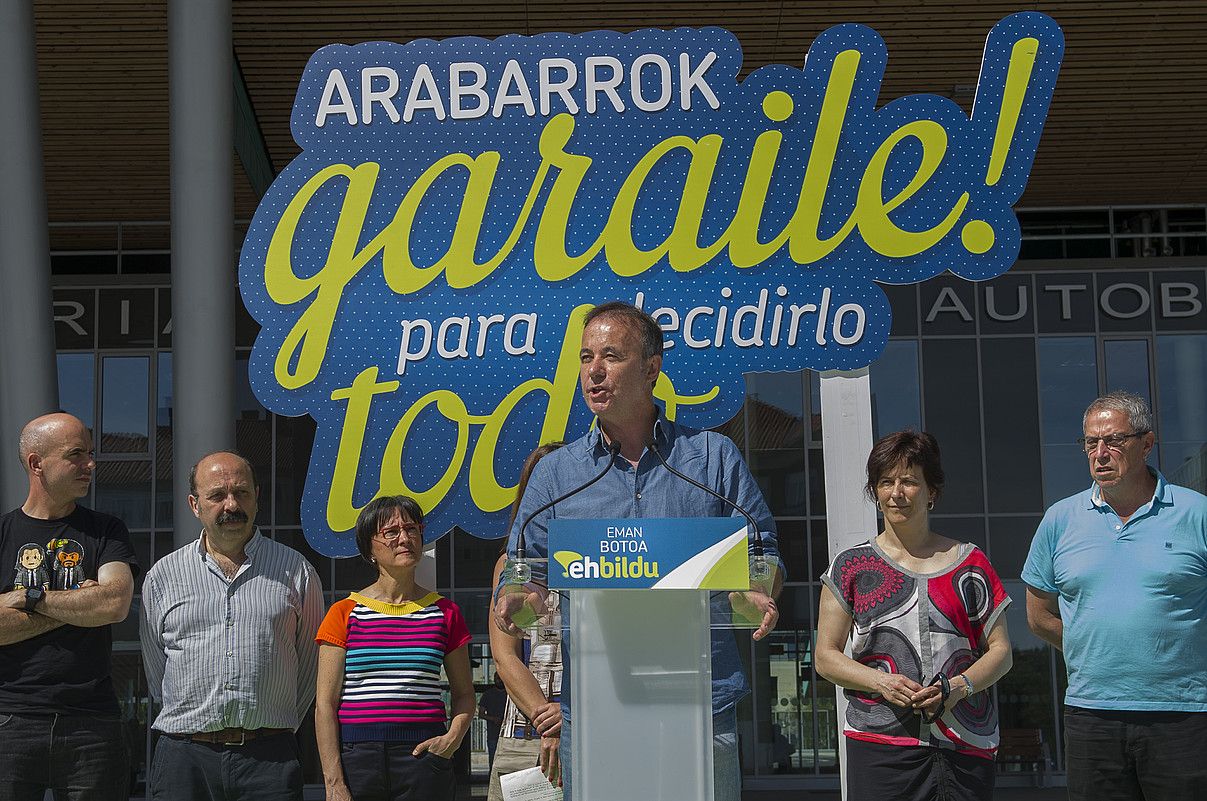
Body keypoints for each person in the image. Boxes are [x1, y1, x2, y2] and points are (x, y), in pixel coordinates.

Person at [493, 301, 782, 801]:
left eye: (610, 356)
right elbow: (524, 565)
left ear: (651, 368)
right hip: (599, 706)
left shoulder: (712, 458)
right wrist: (519, 595)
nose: (593, 372)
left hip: (701, 702)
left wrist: (755, 589)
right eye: (585, 358)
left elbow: (764, 549)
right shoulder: (555, 474)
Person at [1022, 390, 1207, 801]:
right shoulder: (1059, 519)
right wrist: (1097, 648)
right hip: (1091, 716)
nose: (1100, 453)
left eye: (1114, 440)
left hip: (1185, 716)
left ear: (1146, 443)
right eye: (1090, 442)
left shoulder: (1197, 513)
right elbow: (1038, 616)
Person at [816, 431, 1013, 801]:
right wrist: (881, 682)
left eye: (909, 481)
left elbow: (1001, 652)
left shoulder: (970, 563)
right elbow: (825, 656)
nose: (897, 493)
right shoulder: (850, 566)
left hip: (964, 743)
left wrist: (959, 687)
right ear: (875, 492)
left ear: (932, 491)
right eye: (886, 482)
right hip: (879, 746)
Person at [140, 451, 324, 801]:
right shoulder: (163, 576)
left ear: (257, 498)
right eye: (217, 495)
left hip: (268, 759)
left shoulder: (296, 572)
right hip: (184, 758)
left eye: (241, 493)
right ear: (195, 505)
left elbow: (309, 666)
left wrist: (273, 723)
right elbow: (156, 668)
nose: (231, 504)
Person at [0, 412, 139, 801]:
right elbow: (95, 603)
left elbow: (113, 604)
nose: (90, 464)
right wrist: (80, 600)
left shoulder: (107, 530)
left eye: (90, 453)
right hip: (10, 720)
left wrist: (29, 597)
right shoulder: (3, 533)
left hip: (91, 723)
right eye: (76, 454)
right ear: (36, 463)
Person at [315, 495, 474, 801]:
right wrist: (334, 782)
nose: (405, 538)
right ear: (369, 548)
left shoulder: (445, 612)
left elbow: (465, 693)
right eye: (391, 532)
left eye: (412, 529)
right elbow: (325, 705)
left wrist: (451, 740)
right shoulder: (344, 612)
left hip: (424, 756)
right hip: (357, 759)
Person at [487, 442, 565, 801]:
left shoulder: (607, 558)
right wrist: (546, 720)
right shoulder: (511, 568)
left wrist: (572, 715)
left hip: (598, 724)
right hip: (526, 731)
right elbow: (505, 658)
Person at [477, 674, 507, 765]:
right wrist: (493, 719)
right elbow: (480, 714)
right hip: (493, 734)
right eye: (497, 678)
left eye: (500, 678)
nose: (499, 680)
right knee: (493, 761)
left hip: (507, 734)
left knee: (507, 762)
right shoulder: (488, 694)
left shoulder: (509, 694)